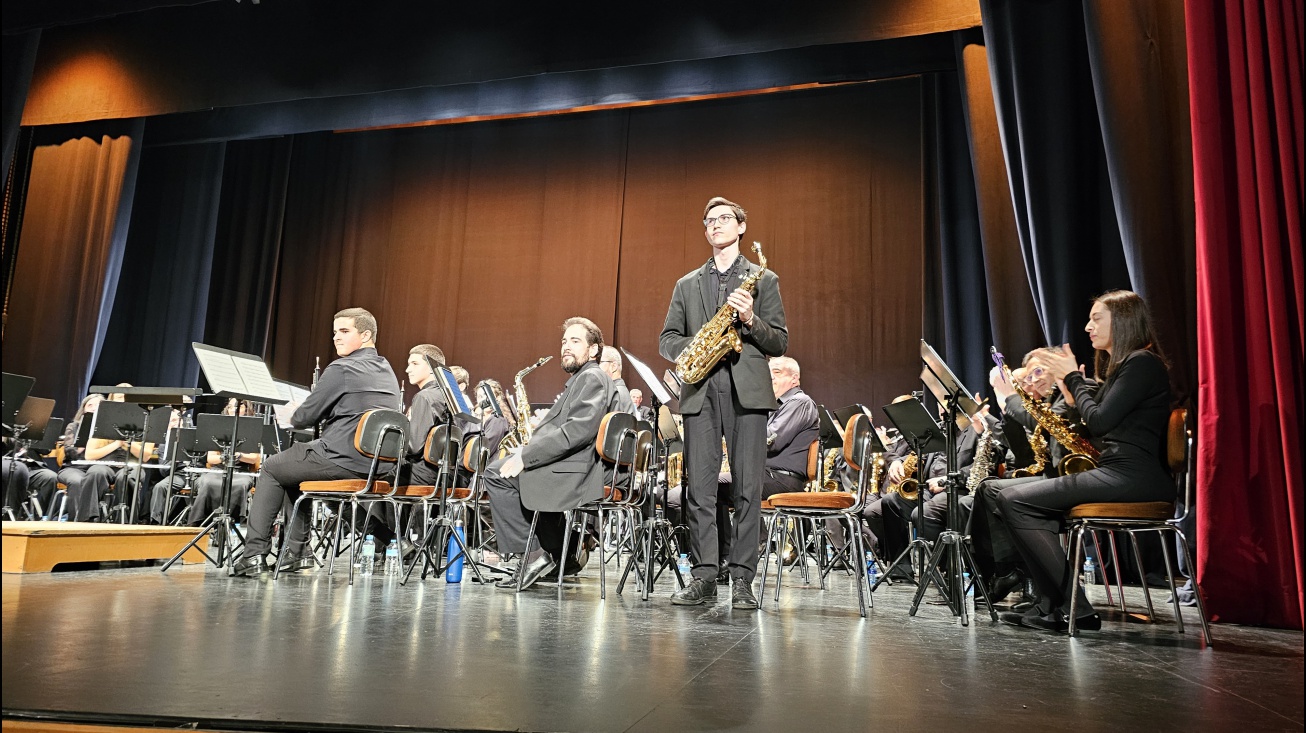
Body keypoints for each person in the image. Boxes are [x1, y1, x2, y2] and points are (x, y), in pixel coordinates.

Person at [997, 290, 1173, 632]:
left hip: (1133, 475)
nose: (1088, 326)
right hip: (1116, 470)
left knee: (1013, 500)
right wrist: (1073, 396)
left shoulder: (1142, 363)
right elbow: (1099, 423)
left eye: (1097, 319)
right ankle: (1051, 605)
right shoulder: (1123, 368)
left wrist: (1073, 380)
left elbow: (1102, 422)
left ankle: (1073, 607)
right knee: (1000, 493)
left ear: (1122, 322)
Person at [659, 196, 788, 609]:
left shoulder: (763, 280)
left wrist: (750, 319)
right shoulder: (686, 283)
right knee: (699, 489)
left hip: (747, 393)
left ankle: (743, 579)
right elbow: (667, 340)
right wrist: (699, 345)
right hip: (700, 391)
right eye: (709, 221)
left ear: (741, 227)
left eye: (724, 219)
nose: (715, 225)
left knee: (748, 487)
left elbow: (780, 341)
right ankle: (704, 576)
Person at [232, 307, 401, 576]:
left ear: (366, 334)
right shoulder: (386, 369)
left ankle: (254, 554)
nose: (336, 337)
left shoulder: (342, 368)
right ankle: (297, 553)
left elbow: (304, 418)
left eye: (344, 331)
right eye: (334, 332)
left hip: (343, 458)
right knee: (293, 472)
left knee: (273, 467)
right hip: (376, 463)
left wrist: (292, 412)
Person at [481, 317, 617, 589]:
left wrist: (526, 455)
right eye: (564, 341)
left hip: (577, 469)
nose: (566, 346)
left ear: (593, 350)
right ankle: (560, 556)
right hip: (572, 462)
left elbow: (577, 432)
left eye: (575, 341)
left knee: (497, 473)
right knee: (511, 469)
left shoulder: (592, 378)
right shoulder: (583, 379)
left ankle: (533, 555)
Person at [597, 346, 635, 414]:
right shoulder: (620, 391)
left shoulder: (614, 394)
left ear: (614, 366)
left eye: (598, 362)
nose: (595, 367)